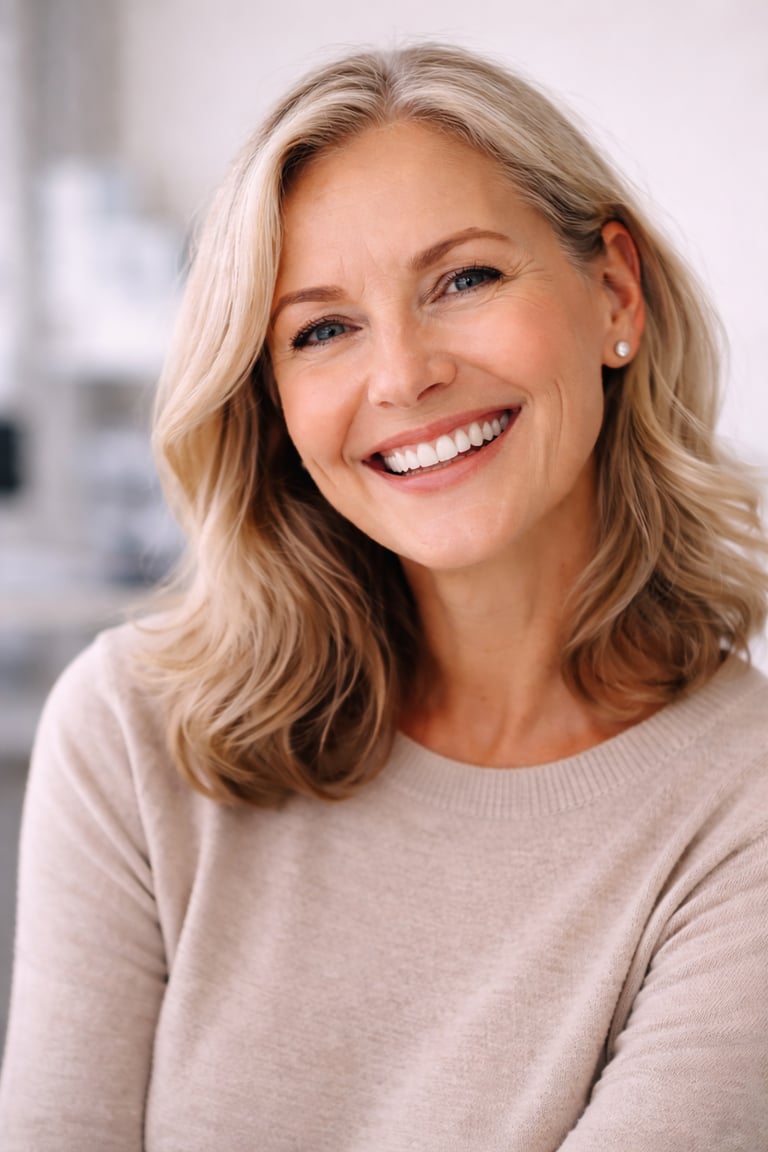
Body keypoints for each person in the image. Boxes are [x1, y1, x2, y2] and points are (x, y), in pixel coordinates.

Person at [1, 42, 767, 1152]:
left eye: (464, 279)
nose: (404, 376)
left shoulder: (743, 807)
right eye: (322, 330)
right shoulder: (133, 734)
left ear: (615, 292)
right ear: (272, 404)